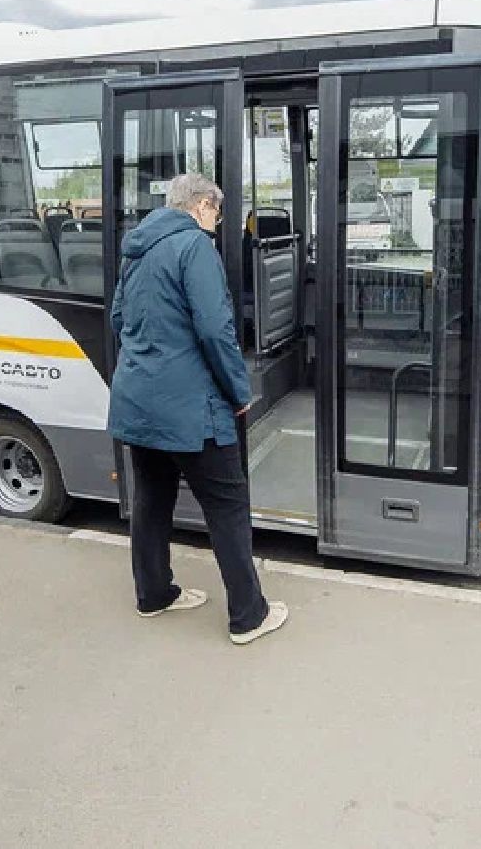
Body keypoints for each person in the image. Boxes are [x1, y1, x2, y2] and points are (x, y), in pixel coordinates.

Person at [107, 172, 289, 645]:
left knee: (151, 499)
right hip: (190, 408)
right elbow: (214, 330)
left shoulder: (138, 250)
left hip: (136, 401)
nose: (216, 223)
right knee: (228, 506)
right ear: (203, 205)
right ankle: (249, 616)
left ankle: (153, 595)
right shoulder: (195, 248)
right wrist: (239, 390)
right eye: (217, 213)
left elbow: (118, 319)